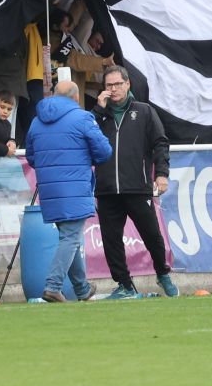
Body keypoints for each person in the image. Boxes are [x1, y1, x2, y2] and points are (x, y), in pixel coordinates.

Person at [91, 65, 177, 299]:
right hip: (107, 189)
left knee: (153, 236)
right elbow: (85, 135)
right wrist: (98, 109)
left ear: (127, 84)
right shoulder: (99, 116)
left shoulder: (144, 111)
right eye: (109, 85)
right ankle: (124, 285)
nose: (113, 89)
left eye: (118, 84)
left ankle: (163, 273)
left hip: (138, 186)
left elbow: (160, 143)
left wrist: (162, 173)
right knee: (111, 241)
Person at [24, 79, 113, 303]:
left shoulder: (36, 120)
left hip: (49, 190)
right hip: (75, 186)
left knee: (68, 237)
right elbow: (104, 152)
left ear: (54, 95)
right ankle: (53, 286)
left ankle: (82, 289)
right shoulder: (83, 118)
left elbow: (31, 157)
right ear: (76, 97)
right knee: (71, 238)